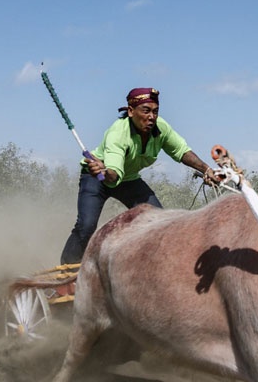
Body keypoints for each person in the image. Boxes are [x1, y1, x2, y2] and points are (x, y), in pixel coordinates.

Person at [60, 87, 219, 264]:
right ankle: (63, 275)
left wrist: (207, 169)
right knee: (86, 226)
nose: (152, 117)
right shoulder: (118, 133)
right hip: (98, 178)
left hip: (129, 180)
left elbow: (181, 152)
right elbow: (113, 175)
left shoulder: (161, 128)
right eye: (146, 111)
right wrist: (103, 171)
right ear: (130, 111)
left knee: (159, 222)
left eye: (155, 111)